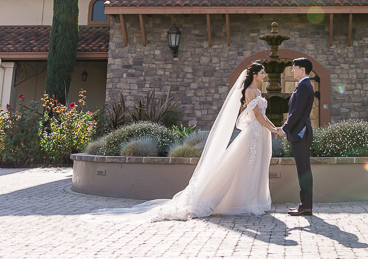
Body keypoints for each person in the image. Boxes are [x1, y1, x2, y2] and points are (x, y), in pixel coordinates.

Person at [90, 61, 285, 221]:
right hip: (253, 135)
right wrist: (273, 128)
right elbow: (257, 116)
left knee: (255, 166)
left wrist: (273, 128)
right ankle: (239, 201)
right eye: (262, 72)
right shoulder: (251, 91)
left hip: (259, 134)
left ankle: (253, 200)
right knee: (244, 166)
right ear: (254, 75)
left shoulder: (259, 93)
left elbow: (262, 116)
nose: (264, 75)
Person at [281, 58, 315, 216]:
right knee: (303, 170)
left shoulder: (304, 86)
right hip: (300, 133)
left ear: (303, 70)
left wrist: (284, 129)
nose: (292, 71)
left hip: (301, 134)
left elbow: (297, 112)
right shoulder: (303, 86)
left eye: (294, 68)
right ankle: (305, 205)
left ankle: (305, 206)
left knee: (304, 170)